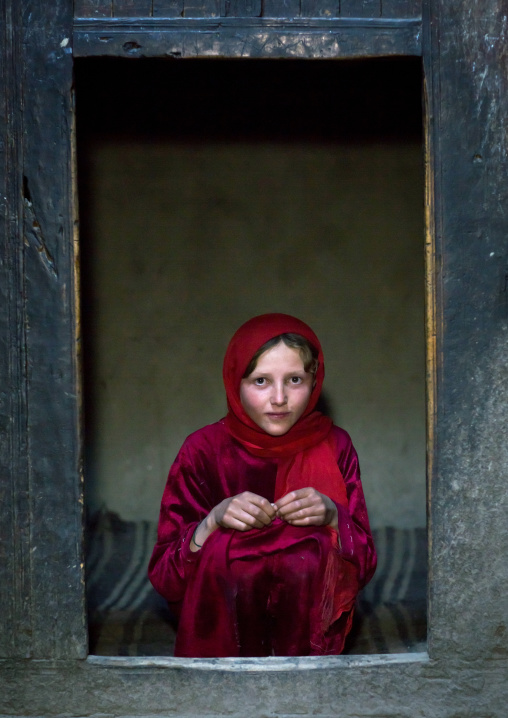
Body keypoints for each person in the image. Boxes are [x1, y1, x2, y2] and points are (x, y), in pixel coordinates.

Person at [148, 313, 376, 657]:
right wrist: (212, 522)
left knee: (311, 542)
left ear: (315, 382)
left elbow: (366, 563)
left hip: (309, 654)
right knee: (227, 541)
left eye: (295, 379)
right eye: (260, 381)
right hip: (222, 648)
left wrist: (333, 516)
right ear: (234, 382)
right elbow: (166, 577)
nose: (279, 398)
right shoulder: (203, 451)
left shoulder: (335, 446)